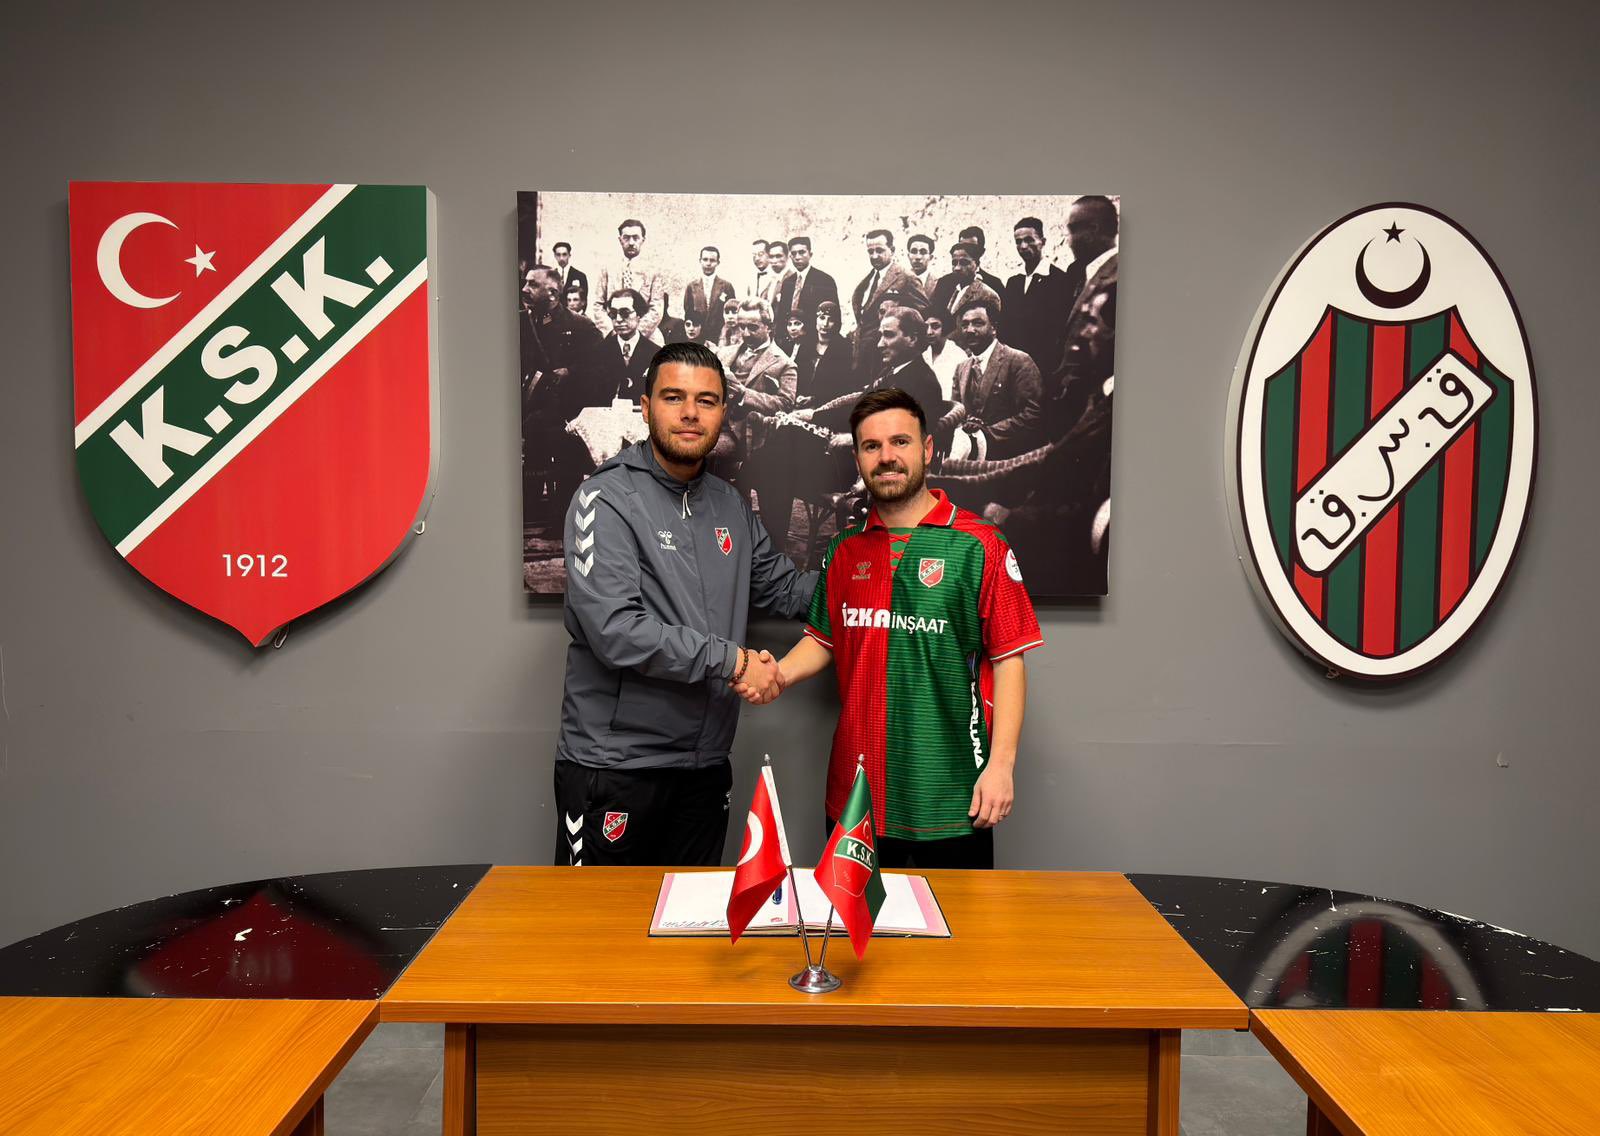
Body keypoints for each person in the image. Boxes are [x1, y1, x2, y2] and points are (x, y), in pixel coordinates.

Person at [744, 387, 1042, 869]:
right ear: (857, 458)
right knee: (853, 921)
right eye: (871, 446)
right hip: (855, 795)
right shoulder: (844, 549)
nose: (886, 457)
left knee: (949, 921)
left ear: (927, 449)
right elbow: (824, 639)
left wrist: (1001, 766)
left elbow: (1009, 660)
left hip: (951, 796)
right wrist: (778, 673)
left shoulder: (981, 544)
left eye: (900, 442)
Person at [554, 341, 817, 866]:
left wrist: (874, 573)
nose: (691, 413)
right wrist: (735, 661)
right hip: (617, 767)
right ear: (645, 406)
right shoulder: (605, 499)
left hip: (704, 767)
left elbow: (787, 590)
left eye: (707, 400)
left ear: (724, 411)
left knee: (692, 917)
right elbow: (616, 631)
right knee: (598, 921)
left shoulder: (729, 504)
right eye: (674, 397)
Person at [950, 298, 1043, 461]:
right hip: (970, 462)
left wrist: (986, 433)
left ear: (994, 327)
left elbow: (1033, 414)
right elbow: (956, 413)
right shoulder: (961, 368)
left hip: (1009, 460)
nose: (969, 330)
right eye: (965, 325)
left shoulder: (1018, 361)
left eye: (978, 323)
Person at [1002, 215, 1077, 374]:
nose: (1023, 246)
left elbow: (1062, 331)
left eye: (1029, 240)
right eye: (1018, 241)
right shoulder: (1013, 282)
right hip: (1014, 368)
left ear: (1042, 242)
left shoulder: (1060, 280)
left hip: (1046, 368)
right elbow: (1006, 327)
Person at [574, 289, 658, 414]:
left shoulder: (656, 354)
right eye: (613, 314)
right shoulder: (597, 353)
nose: (618, 319)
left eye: (625, 313)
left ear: (639, 315)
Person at [592, 218, 666, 342]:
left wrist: (635, 334)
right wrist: (612, 332)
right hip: (613, 335)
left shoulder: (653, 271)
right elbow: (597, 304)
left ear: (643, 240)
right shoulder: (608, 268)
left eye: (636, 238)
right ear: (620, 240)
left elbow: (656, 309)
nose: (631, 242)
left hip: (646, 337)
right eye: (626, 238)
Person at [773, 236, 839, 331]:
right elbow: (782, 316)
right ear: (790, 256)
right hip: (789, 336)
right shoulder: (787, 283)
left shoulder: (824, 280)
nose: (797, 257)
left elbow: (834, 316)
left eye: (801, 252)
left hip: (813, 336)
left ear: (810, 254)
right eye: (794, 253)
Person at [929, 242, 1003, 320]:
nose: (957, 268)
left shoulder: (988, 295)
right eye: (954, 263)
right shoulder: (952, 289)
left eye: (964, 263)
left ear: (977, 264)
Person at [683, 245, 737, 343]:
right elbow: (688, 311)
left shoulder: (726, 286)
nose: (708, 263)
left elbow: (731, 310)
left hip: (719, 336)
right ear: (700, 261)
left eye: (712, 260)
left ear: (718, 262)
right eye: (705, 259)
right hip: (698, 337)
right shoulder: (691, 286)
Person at [921, 311, 964, 401]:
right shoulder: (923, 357)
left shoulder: (958, 356)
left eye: (935, 326)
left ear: (945, 328)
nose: (929, 332)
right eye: (926, 327)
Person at [957, 225, 1008, 295]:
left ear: (981, 252)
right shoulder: (945, 283)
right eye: (961, 247)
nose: (965, 252)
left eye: (971, 249)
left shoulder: (995, 285)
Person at [906, 233, 937, 297]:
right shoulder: (900, 281)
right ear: (908, 256)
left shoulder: (938, 285)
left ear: (930, 257)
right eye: (914, 251)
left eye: (923, 252)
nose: (918, 257)